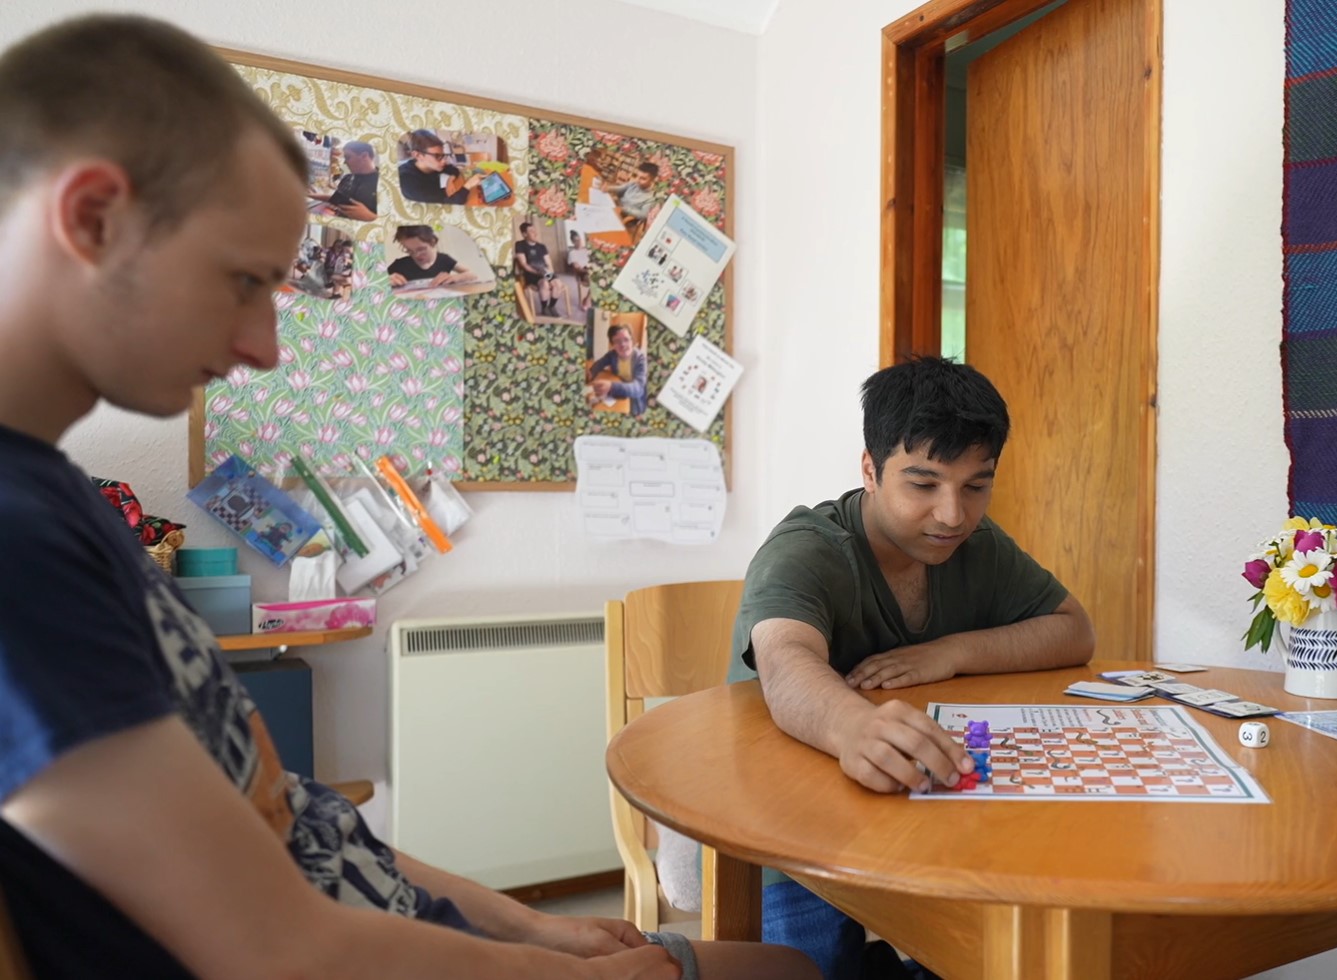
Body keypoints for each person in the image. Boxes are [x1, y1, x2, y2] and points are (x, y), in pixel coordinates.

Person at [0, 15, 815, 980]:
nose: (263, 345)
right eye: (245, 281)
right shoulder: (20, 540)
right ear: (93, 217)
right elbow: (275, 949)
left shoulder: (62, 500)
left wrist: (527, 926)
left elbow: (292, 812)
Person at [728, 356, 1096, 978]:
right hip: (788, 823)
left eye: (975, 485)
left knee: (1003, 949)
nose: (952, 514)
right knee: (809, 967)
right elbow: (785, 660)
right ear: (870, 470)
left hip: (930, 812)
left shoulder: (975, 546)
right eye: (923, 484)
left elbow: (1073, 630)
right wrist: (852, 727)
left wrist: (948, 654)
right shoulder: (806, 549)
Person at [397, 128, 479, 206]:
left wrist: (449, 181)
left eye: (443, 155)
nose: (444, 161)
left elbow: (453, 169)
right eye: (437, 156)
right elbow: (447, 206)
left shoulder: (431, 164)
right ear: (418, 155)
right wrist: (468, 185)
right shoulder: (407, 182)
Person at [585, 321, 647, 417]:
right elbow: (600, 363)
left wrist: (612, 387)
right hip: (619, 389)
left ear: (632, 340)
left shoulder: (640, 358)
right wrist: (591, 372)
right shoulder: (612, 354)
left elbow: (639, 389)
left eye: (626, 339)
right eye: (617, 341)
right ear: (612, 344)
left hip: (635, 398)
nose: (622, 344)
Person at [308, 139, 378, 220]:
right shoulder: (347, 178)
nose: (345, 162)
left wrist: (369, 216)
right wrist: (311, 195)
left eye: (348, 157)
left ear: (364, 156)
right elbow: (337, 198)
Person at [388, 224, 472, 288]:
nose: (416, 255)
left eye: (421, 249)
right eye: (409, 250)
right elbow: (376, 280)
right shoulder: (400, 265)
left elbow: (471, 274)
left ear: (433, 242)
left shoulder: (444, 259)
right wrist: (386, 281)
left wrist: (456, 278)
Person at [514, 221, 560, 317]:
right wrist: (538, 273)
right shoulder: (520, 245)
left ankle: (551, 307)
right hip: (531, 274)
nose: (535, 233)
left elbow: (549, 263)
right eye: (531, 231)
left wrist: (550, 274)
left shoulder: (541, 247)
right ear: (524, 234)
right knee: (544, 284)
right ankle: (544, 308)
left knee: (557, 284)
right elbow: (524, 264)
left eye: (535, 230)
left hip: (545, 272)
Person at [611, 162, 660, 240]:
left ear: (652, 180)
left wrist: (624, 208)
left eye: (643, 178)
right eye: (637, 176)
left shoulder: (651, 198)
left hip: (627, 217)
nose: (637, 180)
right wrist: (607, 188)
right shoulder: (634, 184)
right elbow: (620, 189)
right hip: (618, 208)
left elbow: (643, 215)